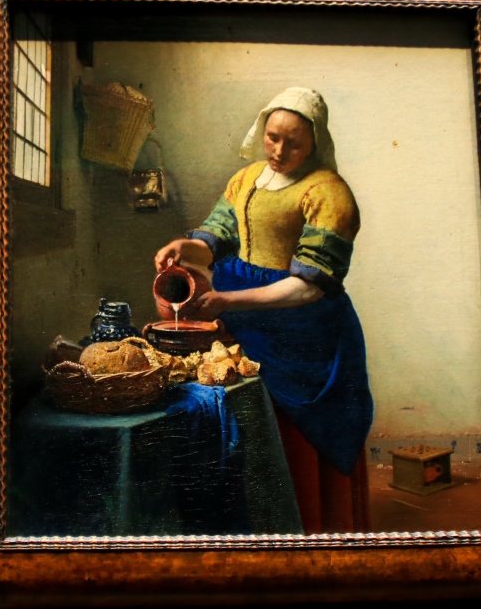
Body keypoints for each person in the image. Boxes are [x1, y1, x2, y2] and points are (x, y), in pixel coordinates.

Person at [153, 87, 373, 533]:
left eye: (294, 143)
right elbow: (216, 238)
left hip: (305, 333)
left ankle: (313, 528)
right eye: (273, 137)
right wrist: (184, 246)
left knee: (298, 434)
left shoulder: (329, 193)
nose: (279, 151)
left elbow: (310, 287)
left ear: (314, 142)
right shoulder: (247, 178)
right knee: (248, 422)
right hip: (245, 324)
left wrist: (228, 301)